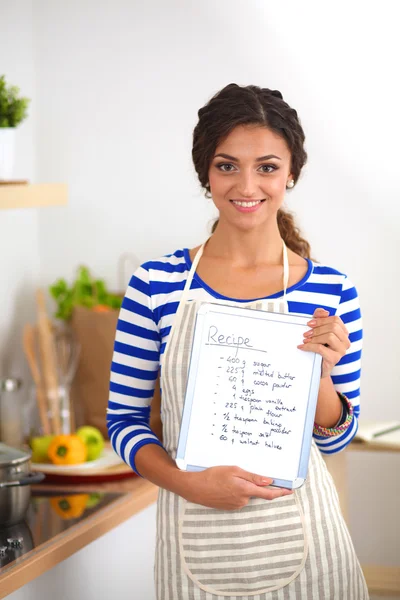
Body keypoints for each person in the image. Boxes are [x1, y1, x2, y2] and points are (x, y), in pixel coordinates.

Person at [107, 83, 369, 599]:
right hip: (194, 544)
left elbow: (335, 439)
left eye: (267, 167)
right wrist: (189, 483)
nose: (247, 185)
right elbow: (124, 422)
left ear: (291, 173)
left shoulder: (332, 289)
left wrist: (323, 374)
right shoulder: (155, 284)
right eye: (227, 165)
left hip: (311, 549)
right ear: (206, 173)